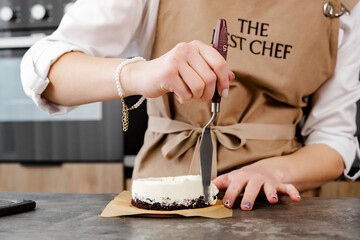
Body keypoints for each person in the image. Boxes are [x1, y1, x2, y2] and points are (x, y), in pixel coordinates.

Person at [21, 0, 360, 210]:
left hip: (281, 209)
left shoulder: (345, 5)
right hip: (162, 203)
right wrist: (142, 73)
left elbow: (335, 139)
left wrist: (275, 172)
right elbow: (43, 70)